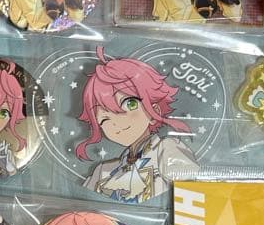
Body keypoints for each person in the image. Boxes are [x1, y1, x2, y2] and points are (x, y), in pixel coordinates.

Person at [76, 48, 198, 203]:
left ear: (154, 111)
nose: (116, 123)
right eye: (104, 119)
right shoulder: (103, 172)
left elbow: (193, 192)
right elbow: (83, 204)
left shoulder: (166, 149)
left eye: (130, 104)